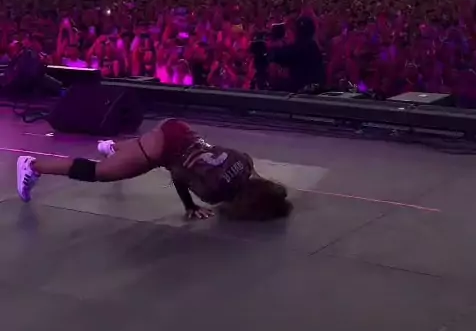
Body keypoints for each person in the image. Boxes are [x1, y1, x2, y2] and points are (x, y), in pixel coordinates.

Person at [16, 118, 293, 221]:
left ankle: (113, 148)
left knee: (133, 154)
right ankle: (33, 165)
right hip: (161, 150)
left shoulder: (246, 164)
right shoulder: (214, 192)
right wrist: (189, 206)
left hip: (180, 129)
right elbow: (178, 173)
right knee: (98, 173)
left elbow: (219, 156)